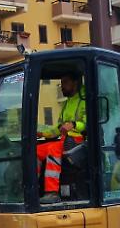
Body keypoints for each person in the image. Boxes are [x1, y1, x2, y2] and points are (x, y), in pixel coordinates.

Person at [36, 72, 88, 202]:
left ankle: (52, 193)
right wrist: (42, 134)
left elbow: (89, 124)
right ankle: (33, 187)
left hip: (78, 142)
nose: (62, 87)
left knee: (53, 149)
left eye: (65, 82)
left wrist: (75, 124)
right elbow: (59, 128)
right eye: (61, 83)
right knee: (35, 151)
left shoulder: (85, 99)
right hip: (65, 141)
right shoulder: (67, 103)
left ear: (75, 83)